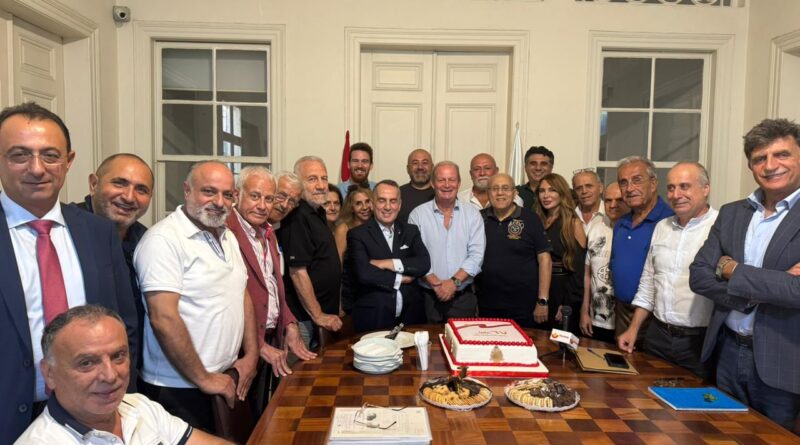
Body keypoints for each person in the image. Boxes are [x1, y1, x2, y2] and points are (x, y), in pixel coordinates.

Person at [0, 102, 138, 445]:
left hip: (93, 415)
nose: (37, 168)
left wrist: (123, 404)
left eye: (50, 155)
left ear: (68, 161)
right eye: (20, 155)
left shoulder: (99, 233)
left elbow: (126, 325)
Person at [690, 118, 800, 430]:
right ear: (750, 166)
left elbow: (797, 292)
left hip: (783, 363)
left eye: (782, 154)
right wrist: (763, 289)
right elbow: (699, 275)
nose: (770, 165)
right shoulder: (732, 212)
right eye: (759, 158)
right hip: (725, 351)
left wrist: (731, 269)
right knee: (720, 434)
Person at [133, 161, 258, 432]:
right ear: (187, 190)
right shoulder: (163, 240)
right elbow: (163, 318)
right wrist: (204, 379)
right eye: (209, 191)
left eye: (227, 194)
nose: (219, 202)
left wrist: (251, 354)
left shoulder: (227, 236)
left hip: (224, 378)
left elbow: (242, 293)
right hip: (179, 389)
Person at [14, 305, 232, 445]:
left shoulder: (138, 406)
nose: (110, 376)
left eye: (118, 356)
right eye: (87, 363)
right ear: (49, 374)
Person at [225, 166, 316, 414]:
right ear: (237, 195)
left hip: (270, 341)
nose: (263, 206)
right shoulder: (225, 231)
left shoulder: (268, 232)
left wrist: (289, 324)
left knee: (265, 415)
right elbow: (226, 300)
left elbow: (274, 287)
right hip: (241, 349)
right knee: (239, 422)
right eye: (255, 196)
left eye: (268, 198)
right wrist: (258, 346)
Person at [617, 163, 717, 379]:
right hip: (658, 336)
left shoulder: (720, 226)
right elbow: (648, 282)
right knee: (651, 394)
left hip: (699, 341)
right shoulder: (662, 227)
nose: (676, 195)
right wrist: (633, 328)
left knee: (695, 399)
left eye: (684, 186)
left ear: (705, 189)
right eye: (671, 188)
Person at [74, 153, 153, 365]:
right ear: (94, 184)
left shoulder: (147, 240)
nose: (129, 197)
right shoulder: (65, 231)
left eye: (141, 190)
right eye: (119, 183)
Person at [347, 180, 431, 332]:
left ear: (399, 205)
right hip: (374, 317)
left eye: (393, 201)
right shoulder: (357, 235)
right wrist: (400, 278)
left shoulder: (411, 231)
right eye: (382, 200)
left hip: (411, 316)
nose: (387, 207)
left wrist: (387, 263)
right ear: (373, 204)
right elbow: (364, 273)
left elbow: (424, 263)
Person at [278, 156, 342, 352]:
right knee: (301, 370)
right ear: (299, 183)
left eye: (324, 178)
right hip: (304, 320)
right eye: (312, 179)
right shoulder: (298, 217)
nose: (321, 185)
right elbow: (297, 272)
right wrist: (318, 315)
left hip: (320, 318)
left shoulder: (318, 212)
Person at [409, 161, 485, 322]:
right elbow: (414, 256)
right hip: (426, 298)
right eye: (441, 180)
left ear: (459, 183)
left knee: (461, 339)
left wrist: (453, 282)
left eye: (451, 179)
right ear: (432, 183)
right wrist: (436, 284)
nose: (447, 185)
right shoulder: (417, 215)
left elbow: (476, 256)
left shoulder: (473, 215)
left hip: (462, 299)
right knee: (425, 338)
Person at [610, 156, 674, 345]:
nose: (629, 188)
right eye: (623, 182)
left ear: (653, 184)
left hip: (653, 316)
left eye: (636, 180)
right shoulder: (621, 223)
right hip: (621, 311)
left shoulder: (670, 221)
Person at [477, 173, 552, 328]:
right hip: (486, 304)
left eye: (505, 188)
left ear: (514, 193)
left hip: (524, 306)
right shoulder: (478, 219)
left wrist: (542, 301)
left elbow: (545, 259)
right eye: (494, 189)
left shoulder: (531, 219)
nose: (500, 193)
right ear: (488, 193)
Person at [534, 173, 586, 333]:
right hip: (538, 289)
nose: (546, 195)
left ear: (562, 193)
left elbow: (579, 271)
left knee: (557, 342)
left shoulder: (573, 224)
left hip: (562, 292)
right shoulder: (537, 221)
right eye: (542, 191)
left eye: (552, 190)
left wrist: (567, 304)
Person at [580, 182, 629, 344]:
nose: (613, 205)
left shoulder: (635, 232)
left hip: (624, 319)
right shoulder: (596, 229)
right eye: (608, 200)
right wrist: (584, 311)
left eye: (619, 200)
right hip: (596, 317)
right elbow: (588, 275)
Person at [334, 186, 373, 263]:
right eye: (358, 203)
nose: (365, 207)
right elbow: (338, 262)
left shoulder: (378, 225)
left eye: (367, 201)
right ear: (351, 208)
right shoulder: (343, 229)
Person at [398, 148, 435, 224]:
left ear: (432, 167)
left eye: (425, 163)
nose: (420, 167)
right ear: (408, 169)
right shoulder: (397, 194)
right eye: (415, 163)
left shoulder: (442, 195)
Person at [516, 146, 554, 210]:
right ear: (525, 167)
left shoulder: (563, 193)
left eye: (543, 164)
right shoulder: (515, 193)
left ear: (551, 168)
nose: (538, 168)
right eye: (533, 164)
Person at [572, 169, 605, 234]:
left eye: (589, 186)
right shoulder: (570, 215)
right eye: (579, 188)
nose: (584, 191)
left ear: (600, 188)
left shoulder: (610, 214)